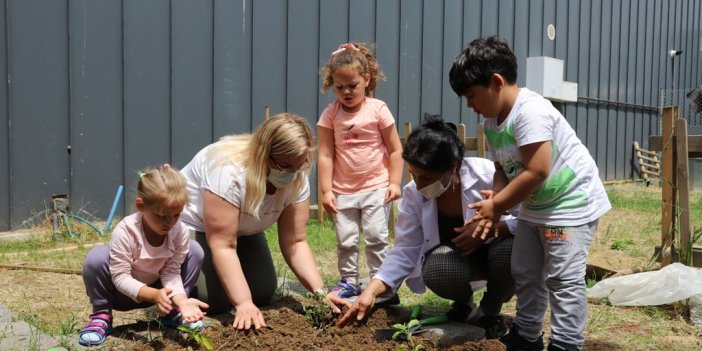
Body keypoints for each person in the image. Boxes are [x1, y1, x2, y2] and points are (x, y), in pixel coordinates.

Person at [449, 35, 611, 351]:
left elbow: (537, 171)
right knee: (525, 270)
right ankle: (526, 334)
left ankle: (565, 343)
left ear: (496, 82)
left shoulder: (531, 111)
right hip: (537, 206)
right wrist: (494, 197)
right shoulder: (491, 120)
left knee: (563, 279)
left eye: (471, 95)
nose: (469, 104)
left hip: (570, 204)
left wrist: (497, 206)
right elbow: (501, 168)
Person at [338, 114, 517, 339]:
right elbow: (405, 249)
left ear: (452, 167)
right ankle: (463, 303)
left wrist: (494, 229)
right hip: (458, 262)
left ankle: (490, 310)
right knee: (437, 268)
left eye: (426, 178)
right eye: (414, 175)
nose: (419, 184)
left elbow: (530, 220)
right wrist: (371, 292)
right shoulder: (414, 194)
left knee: (511, 250)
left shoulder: (488, 176)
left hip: (495, 255)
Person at [180, 113, 348, 330]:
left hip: (243, 230)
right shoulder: (228, 171)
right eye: (285, 165)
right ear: (263, 155)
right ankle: (161, 281)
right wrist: (243, 304)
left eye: (299, 164)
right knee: (210, 299)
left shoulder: (297, 175)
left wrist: (320, 292)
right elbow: (223, 244)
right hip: (195, 226)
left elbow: (295, 241)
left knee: (262, 290)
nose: (292, 173)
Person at [79, 164, 208, 346]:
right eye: (161, 216)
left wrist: (182, 301)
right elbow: (120, 276)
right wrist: (154, 295)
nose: (169, 223)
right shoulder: (126, 231)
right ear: (141, 206)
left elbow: (171, 272)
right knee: (96, 258)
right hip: (123, 294)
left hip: (163, 294)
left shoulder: (179, 231)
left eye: (176, 215)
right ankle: (101, 316)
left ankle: (173, 312)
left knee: (195, 250)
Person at [317, 42, 403, 299]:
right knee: (346, 239)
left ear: (366, 79)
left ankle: (382, 283)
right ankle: (350, 281)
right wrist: (325, 190)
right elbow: (325, 153)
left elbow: (396, 149)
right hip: (343, 191)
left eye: (352, 86)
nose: (346, 92)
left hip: (376, 186)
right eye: (339, 86)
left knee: (376, 237)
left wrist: (395, 182)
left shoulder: (378, 109)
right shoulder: (330, 115)